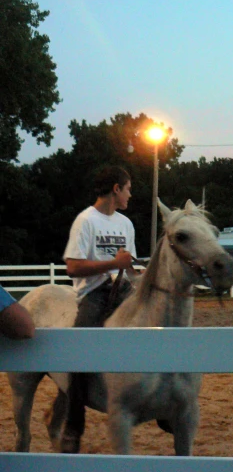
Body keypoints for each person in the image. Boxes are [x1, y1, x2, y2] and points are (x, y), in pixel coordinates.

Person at [61, 165, 137, 453]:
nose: (130, 194)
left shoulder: (126, 224)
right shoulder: (86, 221)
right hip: (93, 294)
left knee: (156, 331)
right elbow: (72, 266)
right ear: (116, 189)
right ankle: (73, 426)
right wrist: (112, 265)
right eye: (128, 188)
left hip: (122, 289)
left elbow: (129, 268)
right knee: (79, 353)